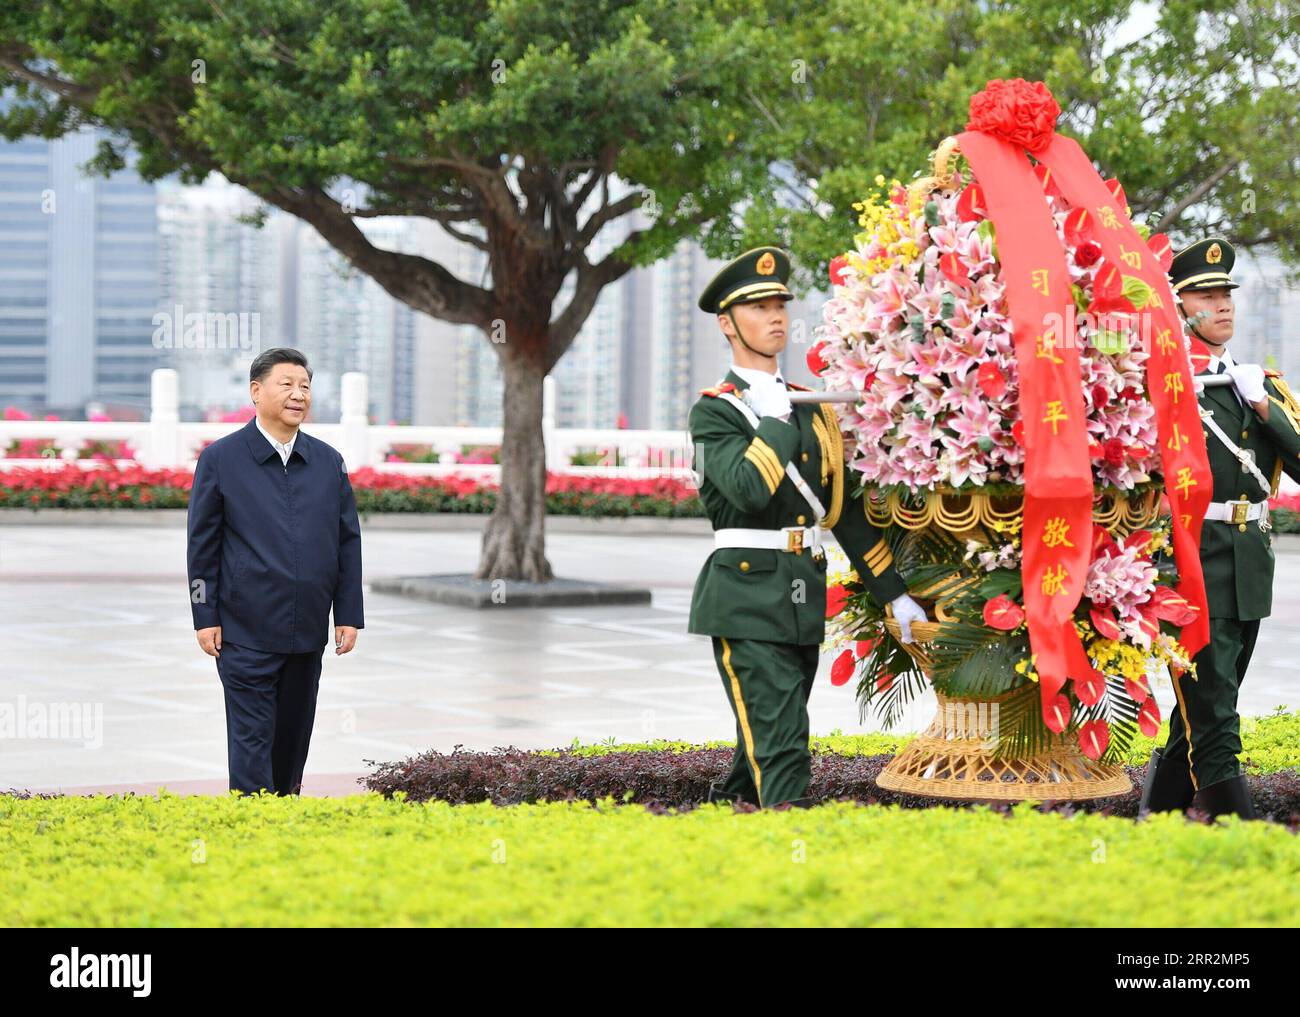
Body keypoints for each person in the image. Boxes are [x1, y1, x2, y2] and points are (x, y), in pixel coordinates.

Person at [687, 246, 928, 808]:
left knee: (767, 741)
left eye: (779, 305)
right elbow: (747, 490)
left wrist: (895, 596)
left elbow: (841, 513)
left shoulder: (811, 407)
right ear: (726, 324)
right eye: (758, 307)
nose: (775, 317)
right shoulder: (716, 412)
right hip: (744, 596)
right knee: (784, 744)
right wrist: (772, 419)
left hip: (799, 598)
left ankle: (726, 825)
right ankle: (791, 848)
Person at [1139, 238, 1300, 819]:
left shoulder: (1261, 384)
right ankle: (1236, 828)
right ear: (1182, 308)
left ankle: (1156, 820)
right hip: (1189, 561)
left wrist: (1266, 410)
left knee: (1206, 707)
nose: (1223, 305)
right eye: (1207, 295)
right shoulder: (1161, 386)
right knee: (1214, 709)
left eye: (1227, 294)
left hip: (1250, 563)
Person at [187, 347, 365, 796]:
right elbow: (202, 546)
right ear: (256, 391)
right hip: (245, 629)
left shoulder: (328, 462)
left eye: (305, 386)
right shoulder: (221, 459)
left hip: (307, 629)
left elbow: (347, 541)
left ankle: (282, 821)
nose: (298, 394)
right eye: (286, 384)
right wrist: (204, 616)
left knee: (292, 739)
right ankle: (252, 824)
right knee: (251, 739)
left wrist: (347, 613)